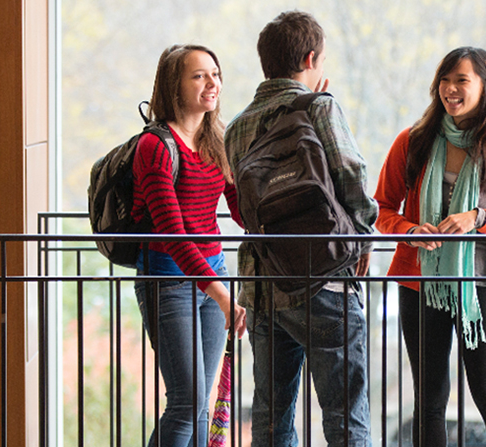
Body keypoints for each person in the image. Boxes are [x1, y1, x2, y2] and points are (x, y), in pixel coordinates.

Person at [222, 11, 377, 447]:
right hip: (322, 279)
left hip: (263, 283)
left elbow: (247, 206)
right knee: (345, 414)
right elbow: (349, 170)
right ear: (311, 58)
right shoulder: (320, 107)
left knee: (271, 418)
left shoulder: (236, 127)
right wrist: (363, 236)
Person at [374, 46, 486, 447]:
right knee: (429, 400)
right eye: (445, 81)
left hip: (480, 289)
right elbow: (380, 211)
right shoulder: (412, 142)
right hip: (419, 285)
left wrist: (479, 220)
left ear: (485, 86)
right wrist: (411, 231)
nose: (450, 89)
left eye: (461, 80)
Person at [131, 44, 248, 447]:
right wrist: (219, 294)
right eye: (199, 75)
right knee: (186, 402)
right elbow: (171, 232)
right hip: (169, 281)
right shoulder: (155, 147)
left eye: (215, 74)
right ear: (174, 86)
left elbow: (241, 211)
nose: (212, 83)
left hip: (212, 275)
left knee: (199, 405)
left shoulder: (218, 140)